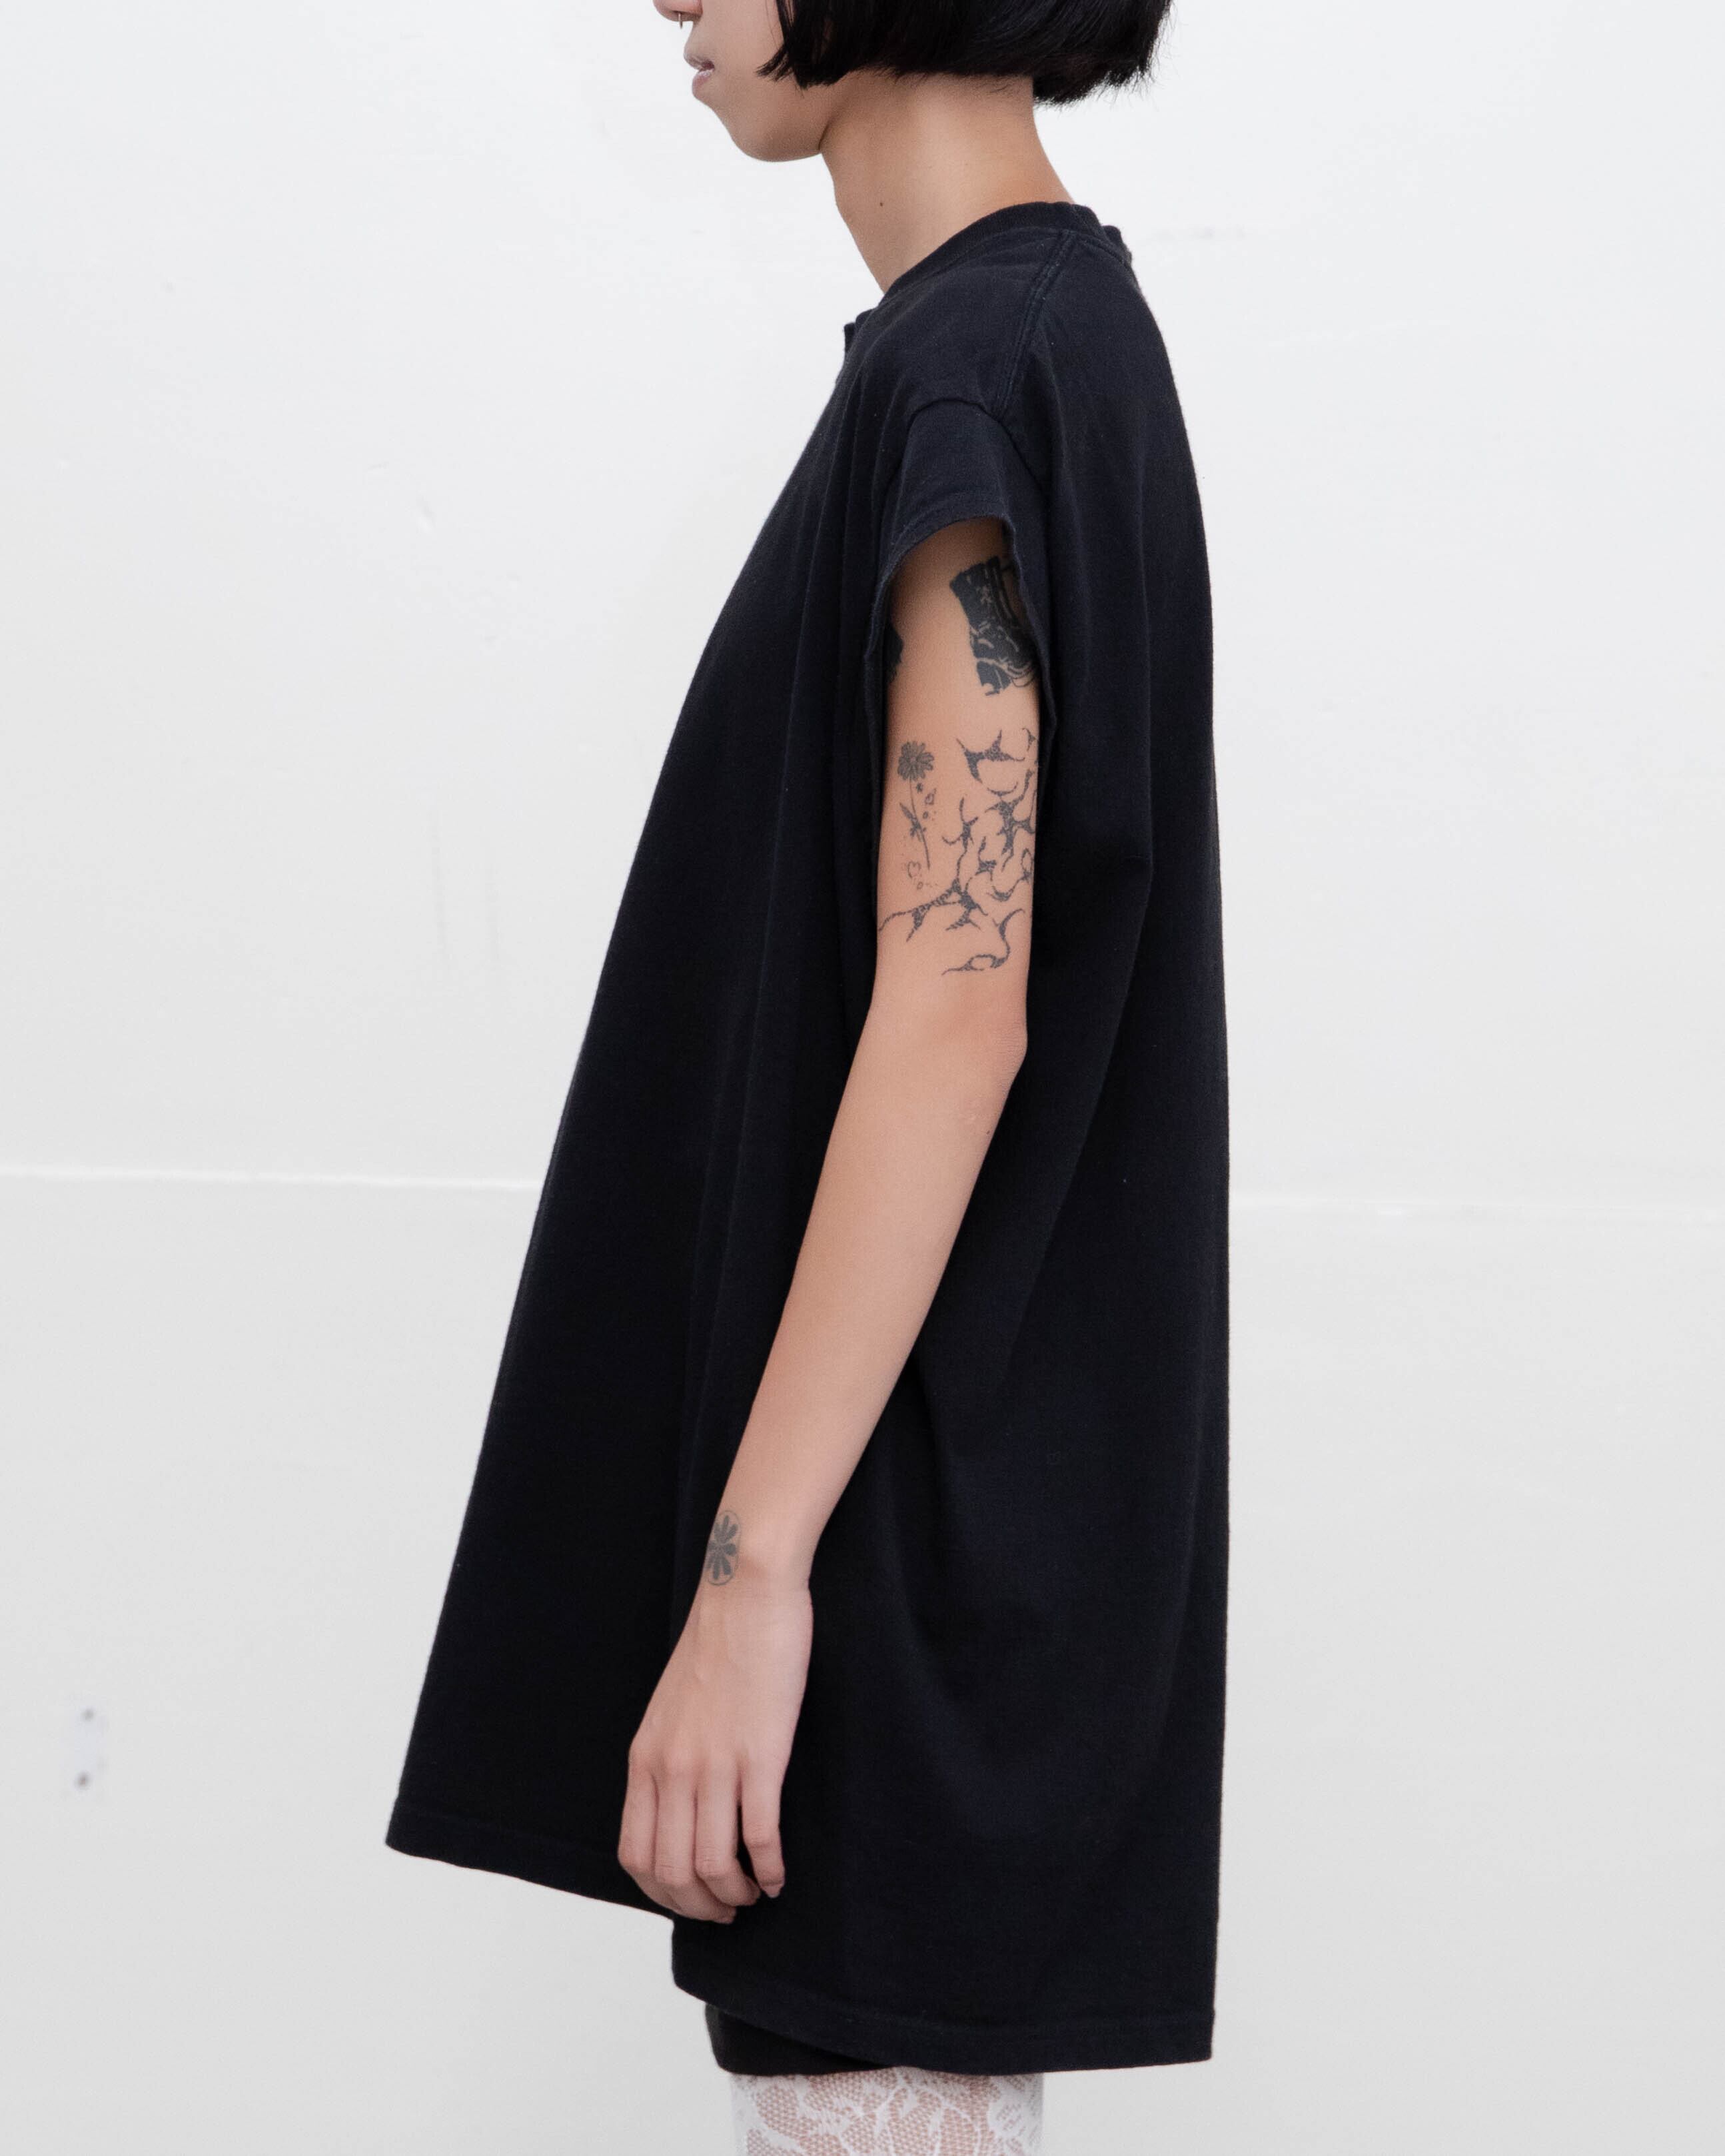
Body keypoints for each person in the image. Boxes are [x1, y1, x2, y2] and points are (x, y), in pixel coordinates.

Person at [384, 4, 1228, 2151]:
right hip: (955, 1552)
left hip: (899, 1572)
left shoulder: (980, 375)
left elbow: (958, 999)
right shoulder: (1040, 347)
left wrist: (751, 1580)